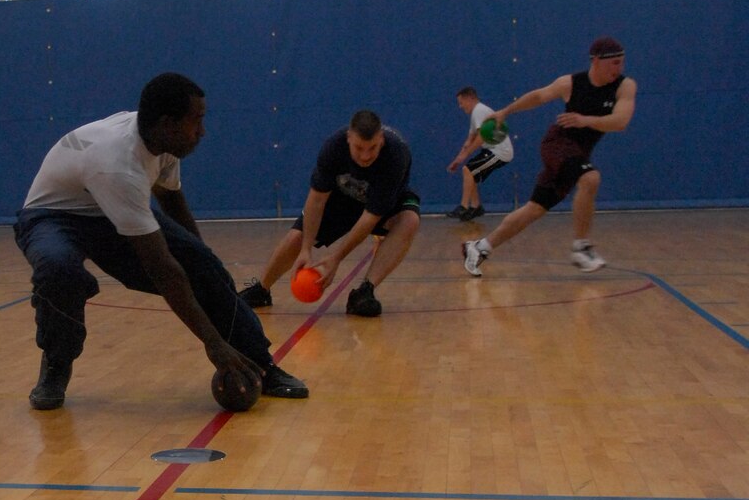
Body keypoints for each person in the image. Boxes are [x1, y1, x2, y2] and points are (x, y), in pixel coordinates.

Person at [14, 72, 310, 411]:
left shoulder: (162, 141)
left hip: (106, 211)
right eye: (196, 120)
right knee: (58, 269)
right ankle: (56, 365)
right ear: (168, 124)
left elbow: (170, 197)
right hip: (52, 217)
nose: (202, 131)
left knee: (205, 268)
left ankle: (261, 364)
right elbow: (162, 269)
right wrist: (213, 344)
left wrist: (204, 262)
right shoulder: (118, 166)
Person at [462, 36, 636, 278]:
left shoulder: (625, 86)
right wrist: (506, 111)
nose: (619, 68)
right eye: (614, 63)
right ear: (596, 61)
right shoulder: (571, 83)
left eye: (622, 62)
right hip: (557, 144)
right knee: (590, 178)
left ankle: (480, 247)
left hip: (578, 153)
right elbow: (539, 96)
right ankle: (581, 248)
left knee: (535, 208)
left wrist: (585, 120)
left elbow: (621, 122)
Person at [239, 109, 421, 319]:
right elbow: (316, 200)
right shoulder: (333, 147)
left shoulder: (396, 154)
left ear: (381, 139)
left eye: (372, 148)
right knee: (297, 237)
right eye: (359, 148)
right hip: (340, 198)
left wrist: (336, 258)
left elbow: (370, 217)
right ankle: (261, 289)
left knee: (409, 220)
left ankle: (365, 291)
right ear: (349, 138)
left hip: (383, 203)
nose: (365, 156)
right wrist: (306, 248)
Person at [445, 85, 514, 222]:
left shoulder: (479, 110)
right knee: (471, 173)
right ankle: (476, 207)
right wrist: (458, 159)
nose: (460, 106)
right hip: (491, 150)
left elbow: (481, 137)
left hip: (499, 151)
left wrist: (465, 155)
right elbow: (470, 139)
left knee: (469, 170)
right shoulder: (476, 114)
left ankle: (464, 206)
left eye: (461, 102)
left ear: (470, 98)